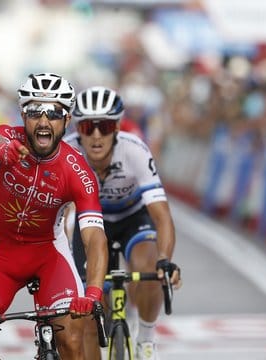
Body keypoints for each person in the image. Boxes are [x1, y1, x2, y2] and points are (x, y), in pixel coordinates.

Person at [0, 72, 109, 360]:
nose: (44, 120)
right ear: (23, 114)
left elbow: (95, 238)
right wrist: (2, 150)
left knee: (72, 341)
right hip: (1, 254)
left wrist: (94, 292)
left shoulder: (77, 170)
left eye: (54, 112)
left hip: (50, 256)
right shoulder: (10, 138)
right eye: (36, 111)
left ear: (67, 120)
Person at [63, 86, 181, 360]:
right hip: (89, 224)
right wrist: (66, 257)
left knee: (149, 269)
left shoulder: (135, 150)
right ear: (77, 129)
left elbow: (161, 215)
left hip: (132, 218)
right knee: (90, 315)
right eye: (87, 127)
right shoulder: (67, 153)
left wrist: (165, 260)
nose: (95, 135)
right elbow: (65, 215)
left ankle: (147, 340)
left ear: (116, 127)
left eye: (103, 126)